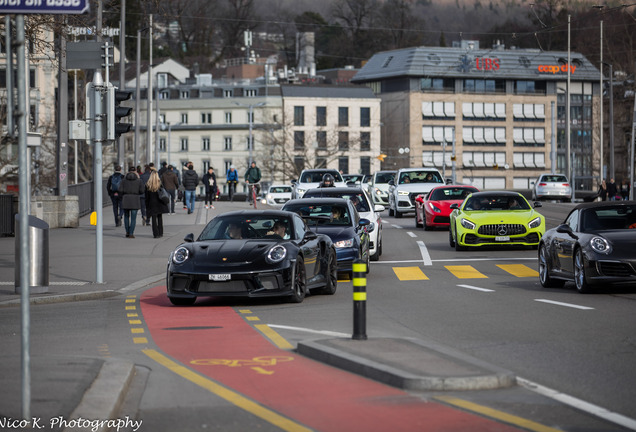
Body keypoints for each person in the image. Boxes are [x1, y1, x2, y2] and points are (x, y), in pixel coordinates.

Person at [120, 166, 145, 238]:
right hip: (135, 199)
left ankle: (127, 231)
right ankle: (131, 233)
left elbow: (120, 190)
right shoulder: (139, 180)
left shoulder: (124, 180)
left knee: (126, 216)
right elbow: (142, 191)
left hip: (126, 199)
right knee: (133, 218)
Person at [145, 169, 170, 238]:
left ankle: (155, 234)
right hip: (160, 203)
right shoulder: (160, 184)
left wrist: (146, 205)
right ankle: (160, 232)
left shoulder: (148, 185)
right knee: (159, 217)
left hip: (152, 203)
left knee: (153, 219)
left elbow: (147, 197)